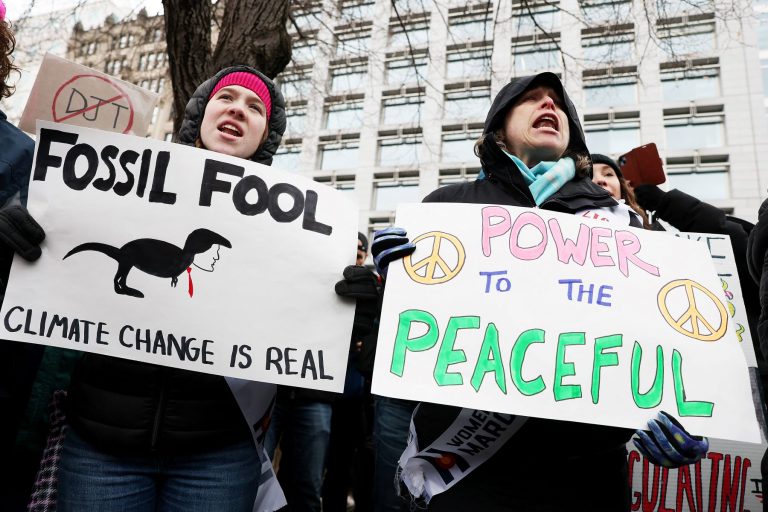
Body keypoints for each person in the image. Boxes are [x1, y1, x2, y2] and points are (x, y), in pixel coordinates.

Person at [371, 72, 708, 511]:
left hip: (587, 466)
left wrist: (690, 414)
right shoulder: (446, 209)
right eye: (530, 99)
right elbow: (416, 338)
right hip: (472, 468)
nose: (549, 105)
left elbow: (664, 332)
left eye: (558, 103)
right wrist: (393, 284)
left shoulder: (623, 224)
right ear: (498, 130)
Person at [57, 65, 287, 512]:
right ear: (200, 112)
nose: (238, 109)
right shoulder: (125, 182)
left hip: (218, 454)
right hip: (102, 442)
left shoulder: (291, 229)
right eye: (226, 98)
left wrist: (344, 297)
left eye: (255, 106)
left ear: (267, 133)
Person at [587, 153, 650, 228]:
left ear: (621, 187)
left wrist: (662, 202)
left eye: (608, 174)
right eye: (588, 176)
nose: (600, 180)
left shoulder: (649, 229)